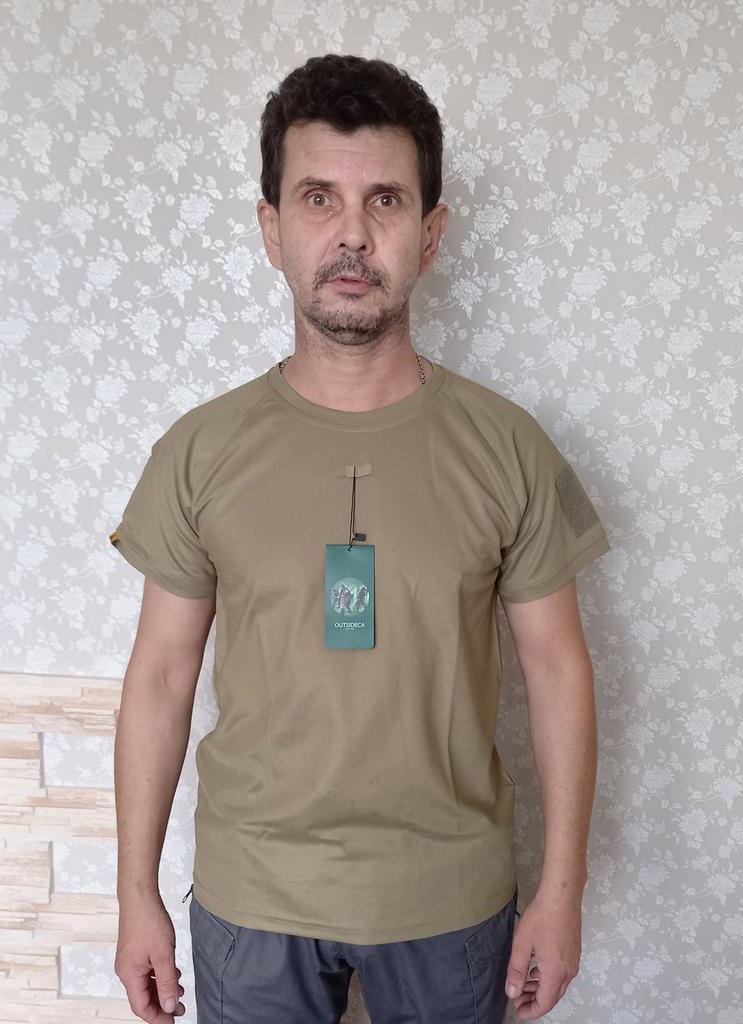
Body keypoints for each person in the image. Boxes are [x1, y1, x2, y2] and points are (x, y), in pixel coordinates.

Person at [110, 53, 611, 1024]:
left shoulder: (510, 446)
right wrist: (135, 894)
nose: (351, 233)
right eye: (317, 199)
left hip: (451, 902)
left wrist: (561, 892)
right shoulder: (198, 449)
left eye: (384, 200)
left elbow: (557, 669)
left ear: (430, 233)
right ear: (271, 229)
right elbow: (161, 675)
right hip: (251, 899)